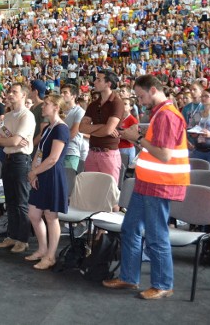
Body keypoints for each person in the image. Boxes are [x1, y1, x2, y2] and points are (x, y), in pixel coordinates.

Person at [103, 74, 190, 300]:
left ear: (153, 90)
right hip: (146, 183)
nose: (140, 102)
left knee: (155, 235)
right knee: (130, 229)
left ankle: (163, 284)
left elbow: (164, 154)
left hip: (160, 184)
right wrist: (135, 137)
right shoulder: (160, 113)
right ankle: (129, 277)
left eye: (141, 96)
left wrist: (137, 137)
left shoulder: (168, 115)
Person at [26, 93, 69, 270]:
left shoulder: (61, 128)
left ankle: (51, 256)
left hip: (52, 174)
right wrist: (33, 172)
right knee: (34, 215)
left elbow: (53, 158)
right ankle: (43, 249)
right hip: (41, 172)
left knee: (51, 217)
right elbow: (40, 152)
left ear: (56, 108)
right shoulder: (48, 127)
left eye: (47, 105)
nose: (43, 107)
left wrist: (35, 171)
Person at [0, 83, 36, 253]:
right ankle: (12, 235)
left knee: (21, 202)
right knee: (10, 200)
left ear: (24, 96)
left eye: (14, 92)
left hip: (21, 160)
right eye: (9, 91)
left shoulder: (27, 116)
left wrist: (8, 140)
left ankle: (23, 239)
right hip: (9, 158)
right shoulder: (9, 116)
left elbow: (13, 142)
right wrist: (8, 140)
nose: (10, 94)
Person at [80, 70, 124, 192]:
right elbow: (82, 128)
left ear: (108, 84)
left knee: (109, 193)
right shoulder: (93, 105)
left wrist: (95, 129)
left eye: (99, 79)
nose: (94, 82)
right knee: (90, 192)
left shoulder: (117, 103)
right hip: (92, 153)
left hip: (108, 153)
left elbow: (108, 130)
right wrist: (103, 127)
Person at [61, 84, 85, 171]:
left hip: (71, 152)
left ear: (73, 96)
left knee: (69, 181)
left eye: (65, 93)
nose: (62, 95)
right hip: (57, 151)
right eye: (61, 92)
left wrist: (58, 142)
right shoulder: (59, 110)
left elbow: (73, 133)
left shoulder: (79, 111)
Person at [118, 97, 139, 165]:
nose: (122, 105)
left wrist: (120, 134)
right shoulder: (118, 118)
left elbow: (134, 137)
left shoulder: (133, 120)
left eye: (125, 104)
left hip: (127, 148)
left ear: (131, 107)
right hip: (117, 147)